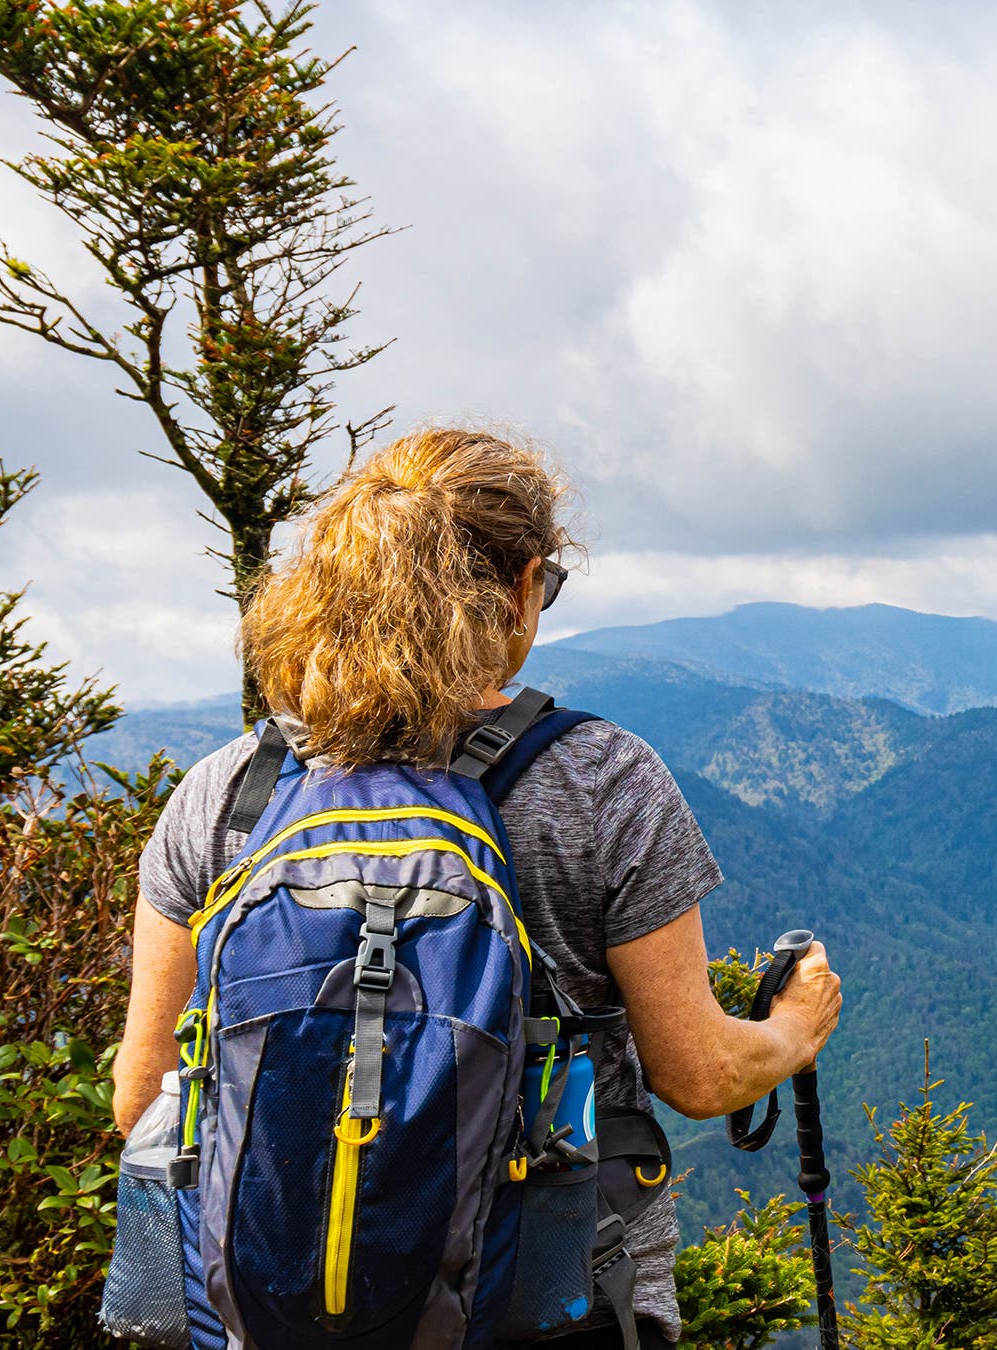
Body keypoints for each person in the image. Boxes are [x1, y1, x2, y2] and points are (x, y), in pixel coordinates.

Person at [110, 428, 842, 1350]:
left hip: (261, 1313)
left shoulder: (229, 792)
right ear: (520, 584)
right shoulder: (600, 778)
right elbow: (698, 1077)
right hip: (550, 1303)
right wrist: (795, 1028)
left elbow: (146, 1101)